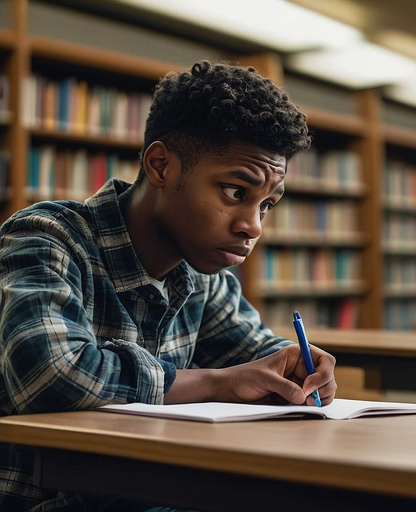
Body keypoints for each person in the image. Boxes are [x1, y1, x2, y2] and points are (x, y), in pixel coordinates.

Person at [0, 60, 337, 511]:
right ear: (161, 165)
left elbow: (257, 359)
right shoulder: (48, 236)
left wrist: (296, 368)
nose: (252, 227)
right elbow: (50, 375)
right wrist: (217, 384)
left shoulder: (202, 275)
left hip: (149, 494)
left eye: (267, 206)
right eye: (236, 192)